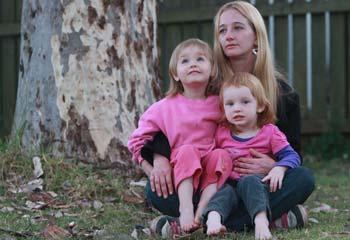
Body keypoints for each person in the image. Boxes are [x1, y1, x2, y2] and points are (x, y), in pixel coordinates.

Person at [143, 1, 315, 237]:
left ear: (256, 36)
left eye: (237, 28)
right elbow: (173, 121)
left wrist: (276, 166)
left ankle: (201, 221)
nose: (228, 36)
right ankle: (268, 219)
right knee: (155, 190)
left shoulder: (283, 94)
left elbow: (294, 153)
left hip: (258, 182)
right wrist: (160, 159)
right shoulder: (208, 84)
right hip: (211, 182)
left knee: (304, 179)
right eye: (222, 30)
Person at [128, 38, 232, 232]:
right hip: (180, 177)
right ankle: (185, 210)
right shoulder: (164, 107)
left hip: (209, 177)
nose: (193, 64)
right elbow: (136, 141)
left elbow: (235, 130)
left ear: (212, 70)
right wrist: (151, 171)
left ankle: (202, 210)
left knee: (222, 155)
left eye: (200, 59)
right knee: (187, 151)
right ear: (175, 74)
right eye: (185, 61)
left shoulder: (220, 104)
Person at [205, 72, 301, 239]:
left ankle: (260, 220)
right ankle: (213, 220)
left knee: (250, 181)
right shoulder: (222, 133)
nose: (237, 108)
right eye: (230, 104)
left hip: (257, 185)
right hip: (230, 185)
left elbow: (292, 156)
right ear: (223, 109)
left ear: (260, 106)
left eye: (245, 102)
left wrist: (279, 168)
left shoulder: (270, 132)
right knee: (223, 193)